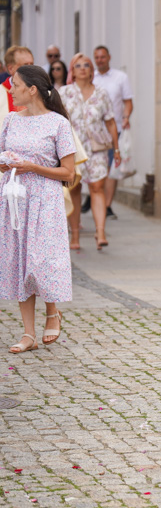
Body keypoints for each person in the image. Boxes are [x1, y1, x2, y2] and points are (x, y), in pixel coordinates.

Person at [0, 65, 77, 353]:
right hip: (15, 198)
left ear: (31, 89)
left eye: (15, 84)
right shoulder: (10, 120)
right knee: (21, 261)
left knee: (41, 260)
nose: (10, 89)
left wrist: (34, 167)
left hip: (45, 198)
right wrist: (6, 163)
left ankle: (52, 312)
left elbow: (68, 172)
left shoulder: (58, 123)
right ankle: (28, 333)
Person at [59, 55, 120, 251]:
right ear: (72, 71)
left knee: (97, 186)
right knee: (74, 187)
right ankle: (74, 235)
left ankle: (100, 231)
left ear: (92, 70)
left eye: (87, 65)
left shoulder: (101, 93)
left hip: (97, 147)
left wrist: (116, 149)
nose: (83, 68)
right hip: (73, 149)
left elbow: (110, 121)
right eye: (78, 65)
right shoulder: (64, 92)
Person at [92, 45, 133, 220]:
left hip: (114, 128)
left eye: (103, 57)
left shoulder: (120, 77)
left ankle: (107, 205)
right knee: (99, 166)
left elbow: (128, 101)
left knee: (111, 168)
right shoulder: (91, 77)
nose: (100, 60)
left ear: (109, 57)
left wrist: (125, 117)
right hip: (94, 130)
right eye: (97, 57)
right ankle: (97, 194)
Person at [2, 46, 35, 124]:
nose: (30, 69)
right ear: (11, 69)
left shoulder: (43, 92)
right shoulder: (1, 93)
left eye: (32, 64)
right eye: (25, 65)